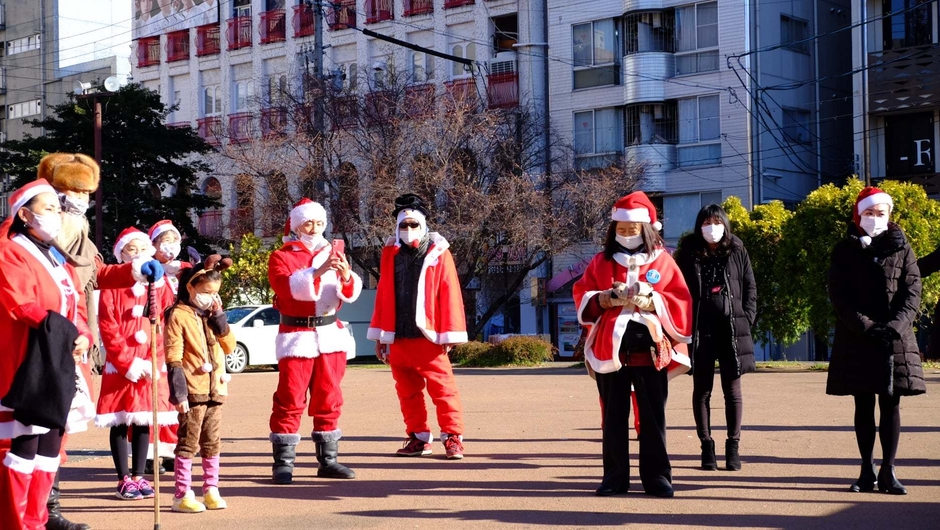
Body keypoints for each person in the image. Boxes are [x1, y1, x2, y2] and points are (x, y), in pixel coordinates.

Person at [41, 153, 163, 530]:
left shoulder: (81, 236)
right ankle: (35, 508)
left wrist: (134, 270)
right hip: (43, 341)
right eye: (73, 191)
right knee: (37, 429)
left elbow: (97, 275)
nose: (80, 199)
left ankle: (49, 508)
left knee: (58, 431)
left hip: (72, 342)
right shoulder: (34, 236)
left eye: (85, 192)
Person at [573, 191, 693, 498]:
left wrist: (653, 300)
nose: (626, 234)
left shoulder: (664, 261)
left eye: (633, 229)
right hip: (609, 351)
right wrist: (603, 298)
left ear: (648, 228)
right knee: (612, 419)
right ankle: (614, 478)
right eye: (621, 229)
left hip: (649, 351)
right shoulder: (601, 261)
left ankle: (658, 478)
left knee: (654, 419)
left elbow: (681, 298)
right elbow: (582, 294)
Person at [0, 180, 95, 529]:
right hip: (28, 363)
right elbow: (20, 304)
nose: (56, 215)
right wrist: (68, 331)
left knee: (50, 450)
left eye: (57, 208)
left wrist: (82, 333)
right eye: (48, 209)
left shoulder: (56, 255)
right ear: (25, 214)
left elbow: (76, 302)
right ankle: (15, 523)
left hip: (59, 361)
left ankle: (37, 521)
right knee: (23, 449)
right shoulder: (10, 251)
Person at [827, 186, 925, 495]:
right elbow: (839, 296)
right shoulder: (844, 250)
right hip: (857, 338)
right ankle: (866, 469)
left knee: (891, 404)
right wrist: (866, 327)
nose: (874, 218)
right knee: (863, 404)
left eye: (880, 213)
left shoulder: (902, 247)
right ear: (858, 215)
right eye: (869, 213)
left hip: (894, 340)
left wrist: (893, 327)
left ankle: (888, 471)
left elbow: (912, 292)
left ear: (889, 216)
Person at [268, 199, 362, 484]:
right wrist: (318, 272)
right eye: (308, 223)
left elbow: (349, 292)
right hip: (297, 336)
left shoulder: (332, 252)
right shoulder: (281, 256)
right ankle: (283, 463)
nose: (314, 228)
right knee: (290, 398)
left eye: (319, 223)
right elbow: (286, 288)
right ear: (297, 226)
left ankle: (328, 461)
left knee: (329, 396)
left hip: (329, 336)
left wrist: (346, 276)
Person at [368, 193, 469, 459]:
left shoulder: (439, 253)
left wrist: (449, 332)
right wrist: (381, 336)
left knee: (443, 391)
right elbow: (384, 294)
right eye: (404, 225)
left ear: (423, 224)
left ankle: (453, 437)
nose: (408, 229)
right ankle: (418, 438)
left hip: (429, 337)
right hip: (399, 337)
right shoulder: (390, 254)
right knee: (407, 393)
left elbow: (450, 292)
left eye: (413, 224)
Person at [95, 228, 177, 500]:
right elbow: (108, 326)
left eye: (143, 247)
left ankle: (139, 475)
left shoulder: (158, 284)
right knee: (120, 420)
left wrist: (157, 359)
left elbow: (164, 322)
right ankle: (123, 478)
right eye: (132, 248)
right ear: (122, 254)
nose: (138, 252)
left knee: (143, 421)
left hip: (150, 360)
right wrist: (126, 362)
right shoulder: (113, 286)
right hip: (122, 365)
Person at [676, 204, 757, 471]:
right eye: (706, 222)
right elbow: (677, 291)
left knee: (733, 391)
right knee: (702, 391)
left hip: (732, 329)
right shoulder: (687, 253)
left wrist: (746, 317)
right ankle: (706, 447)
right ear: (699, 226)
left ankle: (733, 447)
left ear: (724, 224)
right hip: (700, 331)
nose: (712, 227)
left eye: (717, 222)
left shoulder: (737, 250)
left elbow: (749, 286)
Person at [164, 255, 236, 513]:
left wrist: (219, 316)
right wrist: (179, 393)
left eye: (215, 293)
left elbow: (229, 346)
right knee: (188, 441)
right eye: (205, 292)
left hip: (216, 387)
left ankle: (211, 489)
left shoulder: (211, 314)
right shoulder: (178, 315)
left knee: (212, 441)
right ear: (191, 288)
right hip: (193, 389)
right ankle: (182, 493)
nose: (210, 297)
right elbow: (173, 357)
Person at [145, 219, 191, 475]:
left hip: (182, 338)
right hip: (157, 338)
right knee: (157, 396)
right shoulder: (147, 270)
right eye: (165, 241)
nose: (171, 246)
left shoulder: (186, 270)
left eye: (175, 240)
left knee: (179, 396)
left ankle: (175, 448)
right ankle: (152, 453)